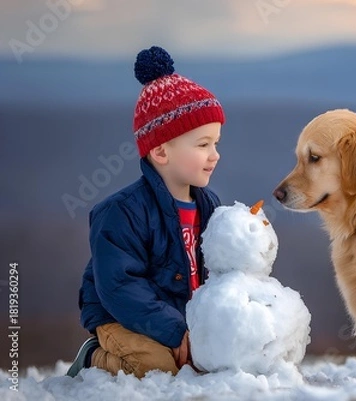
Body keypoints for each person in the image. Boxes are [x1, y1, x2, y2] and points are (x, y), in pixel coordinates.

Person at [66, 46, 225, 379]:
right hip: (122, 318)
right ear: (161, 150)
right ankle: (94, 358)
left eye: (216, 143)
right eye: (202, 145)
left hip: (182, 322)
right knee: (156, 367)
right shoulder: (122, 213)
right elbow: (120, 286)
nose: (215, 155)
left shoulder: (210, 207)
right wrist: (174, 332)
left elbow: (222, 273)